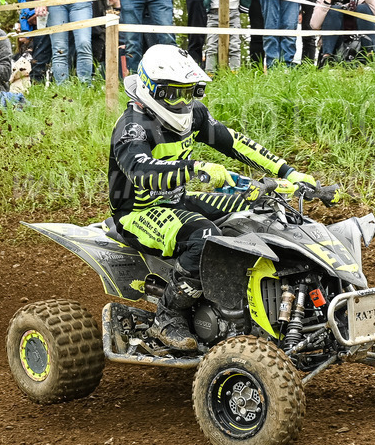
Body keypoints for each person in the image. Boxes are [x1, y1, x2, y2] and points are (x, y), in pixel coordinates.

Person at [110, 44, 317, 350]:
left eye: (190, 92)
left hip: (176, 201)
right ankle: (167, 316)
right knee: (205, 236)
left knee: (260, 207)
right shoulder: (133, 128)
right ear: (151, 88)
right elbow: (141, 170)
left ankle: (262, 302)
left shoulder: (193, 115)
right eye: (174, 94)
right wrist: (193, 167)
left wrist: (288, 172)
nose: (183, 101)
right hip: (138, 214)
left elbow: (234, 142)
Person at [309, 0, 375, 65]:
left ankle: (371, 55)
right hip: (335, 43)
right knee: (333, 11)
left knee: (363, 8)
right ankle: (327, 59)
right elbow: (314, 25)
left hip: (360, 41)